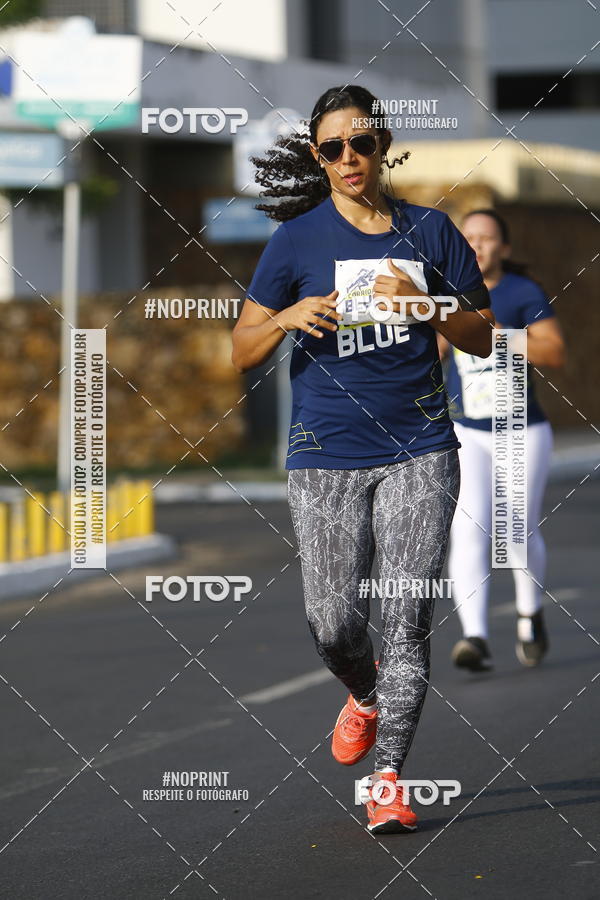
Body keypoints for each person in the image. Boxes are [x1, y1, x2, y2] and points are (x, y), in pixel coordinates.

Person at [231, 85, 493, 834]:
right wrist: (283, 317)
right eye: (332, 148)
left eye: (361, 143)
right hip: (324, 452)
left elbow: (480, 333)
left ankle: (387, 782)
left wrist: (429, 307)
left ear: (382, 145)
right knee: (334, 621)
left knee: (405, 617)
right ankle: (364, 694)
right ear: (319, 158)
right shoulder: (295, 243)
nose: (349, 158)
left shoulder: (430, 231)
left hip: (419, 446)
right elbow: (240, 352)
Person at [439, 209, 566, 672]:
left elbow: (553, 350)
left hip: (521, 429)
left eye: (487, 238)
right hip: (465, 430)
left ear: (503, 249)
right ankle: (475, 637)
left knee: (516, 529)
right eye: (468, 237)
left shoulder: (521, 292)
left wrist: (498, 338)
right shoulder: (449, 293)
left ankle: (530, 614)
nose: (476, 245)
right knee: (467, 528)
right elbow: (429, 353)